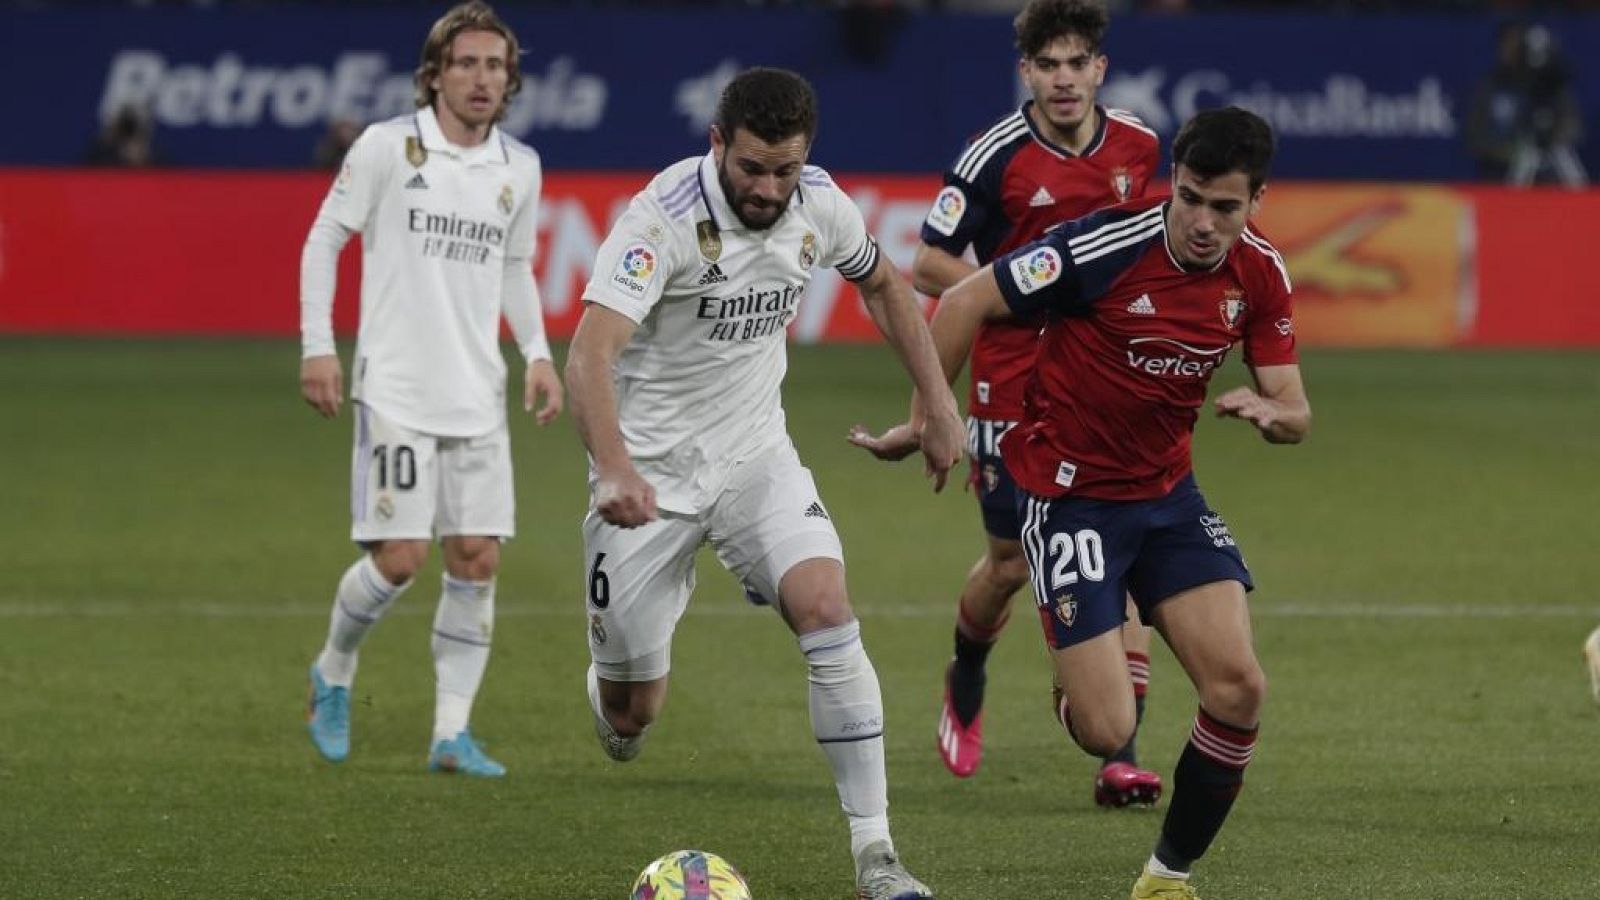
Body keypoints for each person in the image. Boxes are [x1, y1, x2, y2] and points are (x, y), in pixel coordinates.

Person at [872, 106, 1307, 900]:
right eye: (1191, 198)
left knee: (1240, 688)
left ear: (1257, 201)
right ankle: (1077, 657)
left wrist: (1280, 417)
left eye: (1226, 207)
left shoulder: (1262, 273)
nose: (1204, 223)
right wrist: (929, 417)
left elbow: (1293, 403)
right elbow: (966, 297)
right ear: (1173, 183)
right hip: (1070, 501)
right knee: (1106, 729)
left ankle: (1165, 878)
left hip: (1169, 497)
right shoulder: (1099, 247)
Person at [565, 67, 963, 900]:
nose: (769, 188)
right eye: (752, 169)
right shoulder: (660, 222)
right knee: (632, 716)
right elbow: (590, 354)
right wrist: (613, 468)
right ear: (717, 144)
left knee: (826, 606)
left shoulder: (820, 204)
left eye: (785, 169)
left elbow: (886, 288)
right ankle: (615, 687)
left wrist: (937, 404)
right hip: (649, 484)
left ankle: (878, 858)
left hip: (755, 457)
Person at [849, 0, 1163, 805]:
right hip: (1009, 383)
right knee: (1011, 563)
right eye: (1047, 65)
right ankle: (969, 668)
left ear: (1101, 68)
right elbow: (926, 266)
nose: (1063, 79)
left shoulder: (1138, 147)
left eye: (1076, 63)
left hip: (1101, 384)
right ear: (1026, 71)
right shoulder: (996, 155)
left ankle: (1116, 750)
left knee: (1112, 547)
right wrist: (1030, 290)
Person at [298, 1, 563, 778]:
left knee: (476, 557)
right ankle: (333, 671)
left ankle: (451, 733)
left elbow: (514, 268)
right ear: (436, 73)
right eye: (467, 64)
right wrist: (320, 346)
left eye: (496, 66)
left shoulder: (520, 167)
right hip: (399, 390)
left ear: (511, 80)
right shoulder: (387, 148)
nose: (483, 79)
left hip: (476, 395)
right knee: (401, 557)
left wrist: (539, 354)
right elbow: (325, 239)